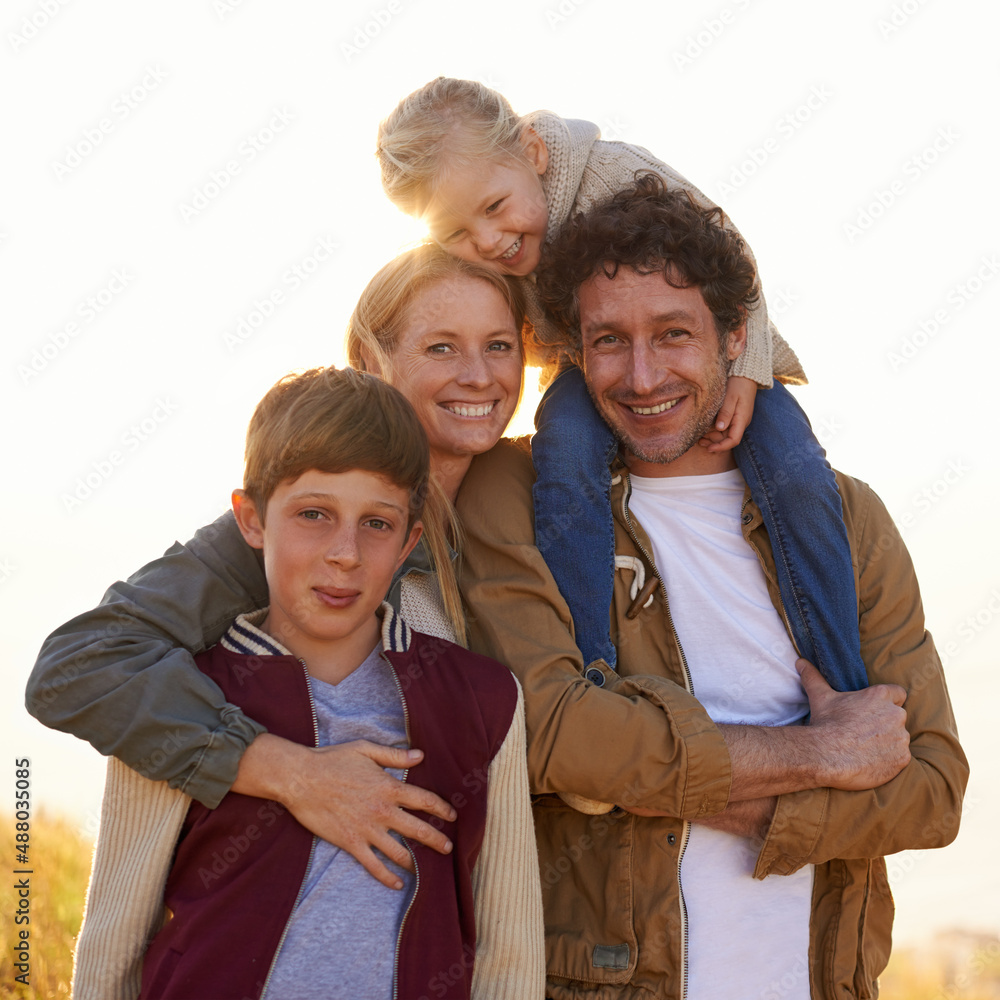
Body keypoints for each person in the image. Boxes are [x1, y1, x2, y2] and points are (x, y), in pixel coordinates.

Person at [454, 174, 969, 1000]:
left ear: (736, 338)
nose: (644, 374)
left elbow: (934, 789)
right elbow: (551, 737)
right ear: (575, 352)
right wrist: (824, 755)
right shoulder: (515, 495)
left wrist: (665, 787)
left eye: (673, 333)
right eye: (609, 340)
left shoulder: (843, 517)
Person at [376, 77, 868, 695]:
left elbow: (731, 259)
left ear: (532, 152)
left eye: (496, 207)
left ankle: (843, 680)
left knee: (796, 472)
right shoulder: (491, 259)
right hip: (588, 371)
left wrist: (746, 373)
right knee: (566, 456)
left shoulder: (611, 173)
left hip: (733, 359)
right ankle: (591, 669)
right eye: (454, 233)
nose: (487, 240)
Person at [71, 366, 543, 1000]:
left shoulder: (482, 701)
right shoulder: (182, 697)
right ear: (252, 521)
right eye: (314, 514)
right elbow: (115, 944)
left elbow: (506, 952)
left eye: (376, 523)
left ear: (410, 542)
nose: (344, 552)